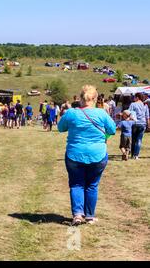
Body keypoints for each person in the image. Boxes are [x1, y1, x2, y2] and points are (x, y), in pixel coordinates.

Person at [58, 85, 116, 226]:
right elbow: (113, 129)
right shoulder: (101, 114)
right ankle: (90, 216)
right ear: (95, 99)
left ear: (80, 98)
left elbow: (60, 128)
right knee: (92, 185)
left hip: (74, 154)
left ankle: (77, 215)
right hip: (98, 155)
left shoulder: (71, 113)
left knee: (76, 184)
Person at [129, 93, 150, 159]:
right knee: (139, 140)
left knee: (133, 140)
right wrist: (148, 125)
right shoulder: (145, 105)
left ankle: (132, 155)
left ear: (137, 97)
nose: (134, 99)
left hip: (135, 123)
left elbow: (129, 113)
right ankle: (136, 155)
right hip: (143, 124)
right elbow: (147, 116)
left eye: (134, 97)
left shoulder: (133, 104)